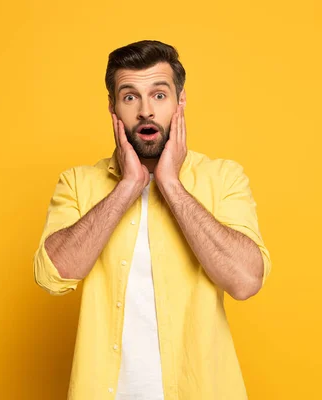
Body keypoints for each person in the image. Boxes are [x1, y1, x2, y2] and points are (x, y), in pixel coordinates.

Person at [33, 40, 271, 400]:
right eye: (130, 97)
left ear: (180, 102)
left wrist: (171, 185)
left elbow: (245, 281)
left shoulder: (223, 177)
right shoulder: (78, 183)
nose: (146, 111)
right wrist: (128, 187)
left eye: (159, 95)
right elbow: (52, 276)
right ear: (113, 107)